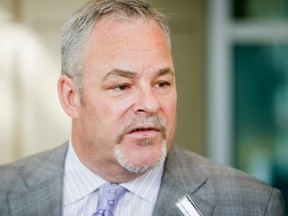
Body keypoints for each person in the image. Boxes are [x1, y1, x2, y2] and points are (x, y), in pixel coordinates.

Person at [0, 0, 285, 215]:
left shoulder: (252, 205)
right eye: (122, 86)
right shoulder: (6, 192)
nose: (150, 104)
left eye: (162, 83)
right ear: (71, 97)